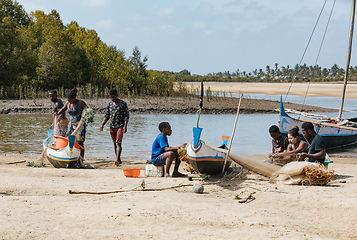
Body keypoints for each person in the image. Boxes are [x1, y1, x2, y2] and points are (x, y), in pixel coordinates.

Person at [56, 88, 88, 168]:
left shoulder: (80, 103)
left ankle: (81, 159)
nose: (69, 101)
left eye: (70, 100)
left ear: (74, 98)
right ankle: (71, 157)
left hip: (79, 125)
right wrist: (57, 113)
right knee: (68, 140)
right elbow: (63, 109)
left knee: (80, 142)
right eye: (68, 100)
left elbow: (87, 110)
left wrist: (86, 114)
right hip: (71, 124)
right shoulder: (67, 103)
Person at [99, 89, 129, 166]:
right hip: (112, 126)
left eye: (113, 97)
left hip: (120, 126)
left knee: (118, 142)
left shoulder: (123, 104)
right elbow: (107, 116)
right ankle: (118, 158)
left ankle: (117, 160)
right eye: (111, 97)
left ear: (117, 96)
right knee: (114, 144)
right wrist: (102, 124)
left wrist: (125, 126)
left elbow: (126, 116)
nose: (112, 99)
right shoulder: (109, 104)